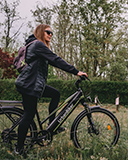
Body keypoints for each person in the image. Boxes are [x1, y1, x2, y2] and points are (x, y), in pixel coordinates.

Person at [15, 24, 87, 155]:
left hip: (33, 84)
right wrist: (76, 72)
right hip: (29, 84)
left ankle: (52, 126)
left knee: (55, 94)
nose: (50, 35)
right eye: (48, 32)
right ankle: (19, 149)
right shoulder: (37, 45)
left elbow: (53, 61)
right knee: (28, 115)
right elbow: (56, 59)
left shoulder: (35, 45)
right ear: (41, 32)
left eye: (51, 33)